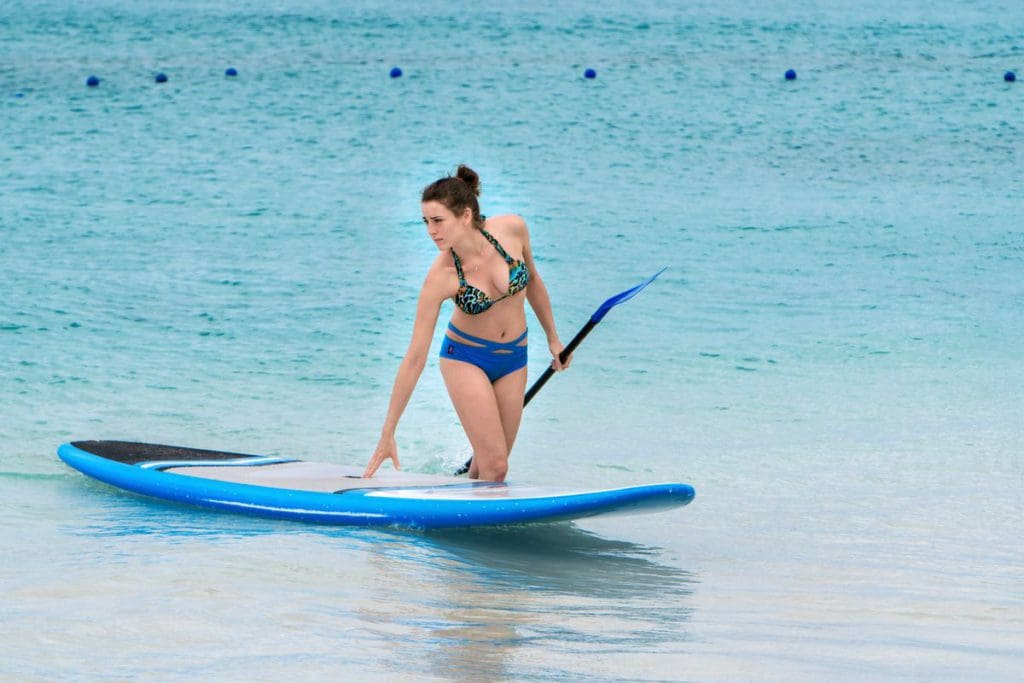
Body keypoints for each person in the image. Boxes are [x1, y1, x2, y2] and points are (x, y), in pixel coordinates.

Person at [363, 165, 568, 482]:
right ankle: (484, 525)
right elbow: (415, 357)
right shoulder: (441, 276)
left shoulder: (513, 229)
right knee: (497, 466)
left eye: (438, 220)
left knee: (487, 465)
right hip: (466, 359)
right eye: (426, 222)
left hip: (514, 358)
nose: (431, 231)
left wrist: (553, 338)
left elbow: (535, 283)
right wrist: (388, 431)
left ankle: (465, 507)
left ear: (466, 216)